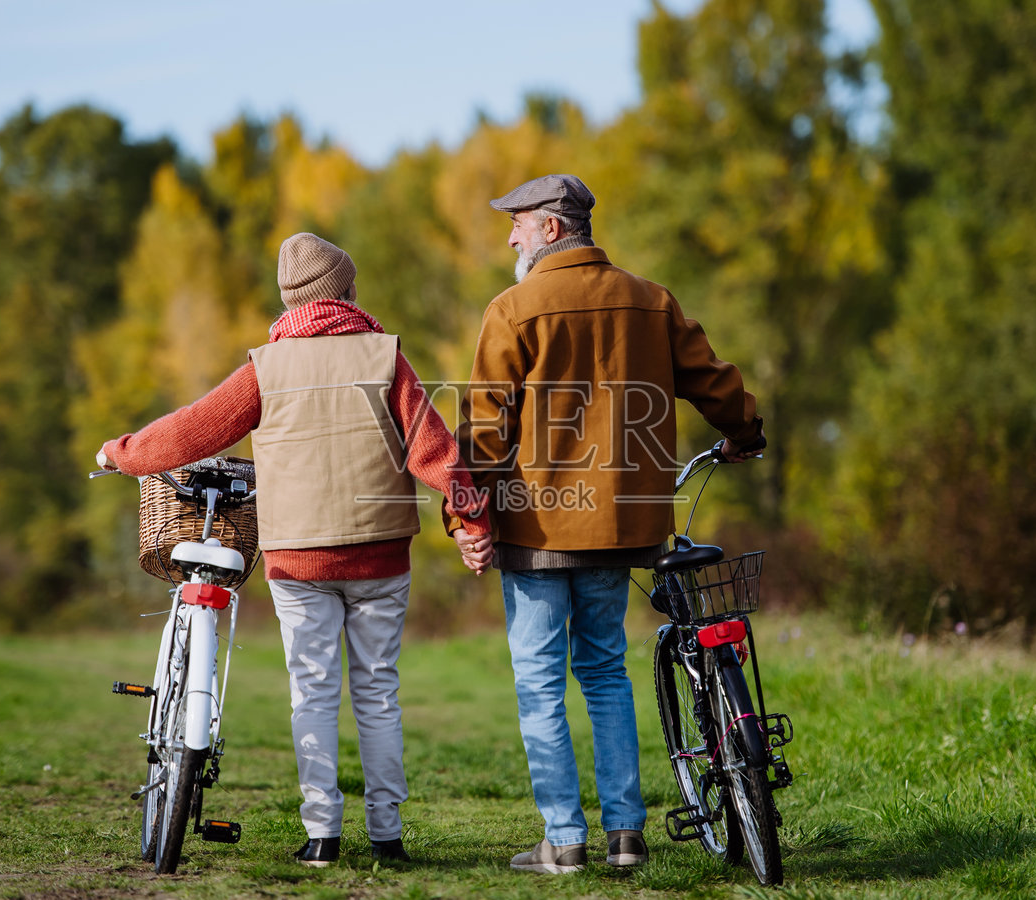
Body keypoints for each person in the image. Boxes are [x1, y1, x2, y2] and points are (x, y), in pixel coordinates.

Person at [97, 232, 490, 868]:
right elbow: (434, 448)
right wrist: (468, 513)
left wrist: (124, 451)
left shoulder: (266, 367)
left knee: (311, 689)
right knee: (378, 690)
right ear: (346, 292)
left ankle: (322, 835)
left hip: (298, 560)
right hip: (380, 554)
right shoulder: (385, 355)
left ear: (292, 300)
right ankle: (388, 836)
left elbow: (194, 429)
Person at [452, 174, 764, 874]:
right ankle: (626, 834)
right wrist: (746, 430)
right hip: (624, 528)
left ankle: (563, 839)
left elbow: (483, 431)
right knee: (604, 672)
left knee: (539, 681)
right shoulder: (651, 302)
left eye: (519, 224)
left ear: (553, 229)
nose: (511, 236)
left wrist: (468, 515)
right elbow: (714, 382)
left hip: (537, 531)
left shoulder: (512, 310)